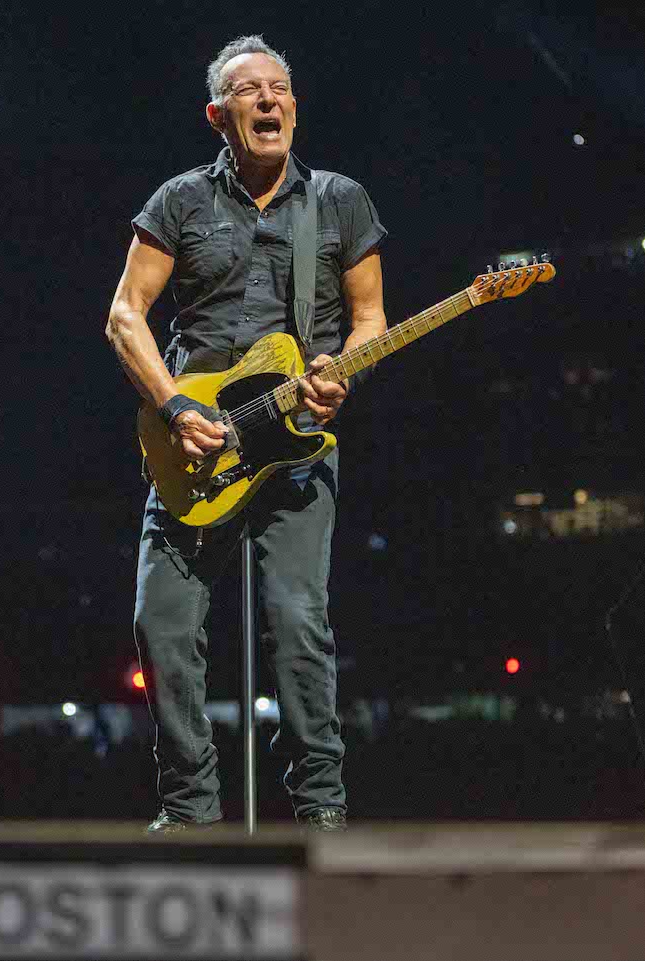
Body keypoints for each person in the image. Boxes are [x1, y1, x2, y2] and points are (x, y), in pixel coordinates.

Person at [104, 35, 388, 832]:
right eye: (250, 90)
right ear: (218, 114)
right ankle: (190, 812)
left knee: (298, 623)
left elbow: (369, 320)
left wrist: (343, 374)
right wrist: (175, 409)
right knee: (160, 625)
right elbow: (125, 317)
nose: (270, 100)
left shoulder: (339, 200)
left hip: (297, 443)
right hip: (200, 444)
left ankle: (320, 809)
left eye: (281, 88)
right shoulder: (180, 202)